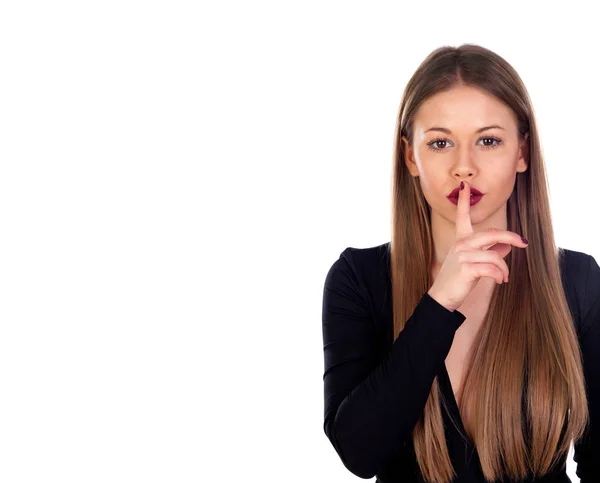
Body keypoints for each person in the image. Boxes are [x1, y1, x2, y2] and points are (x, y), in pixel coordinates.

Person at [321, 44, 600, 483]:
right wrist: (439, 303)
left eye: (488, 140)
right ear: (411, 156)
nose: (464, 167)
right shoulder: (358, 279)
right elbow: (358, 452)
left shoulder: (578, 281)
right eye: (440, 142)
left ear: (522, 152)